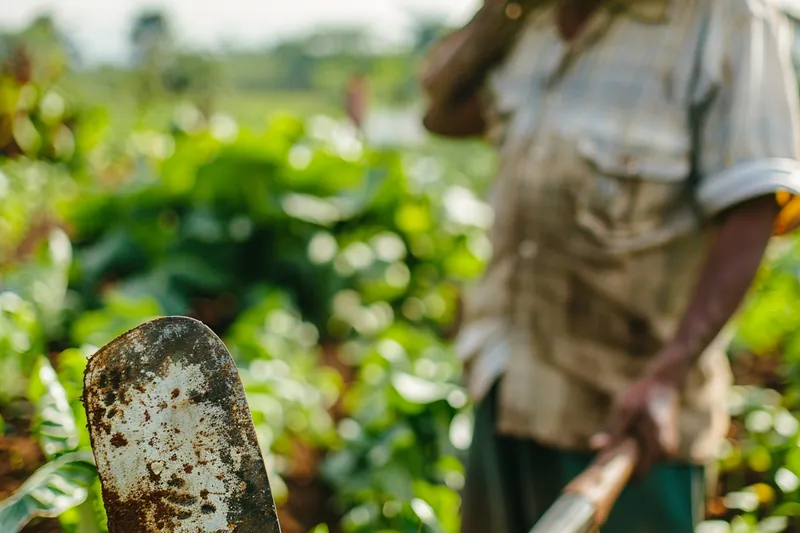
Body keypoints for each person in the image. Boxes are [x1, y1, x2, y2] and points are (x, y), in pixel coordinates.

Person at [420, 0, 800, 531]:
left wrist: (666, 377)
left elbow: (754, 209)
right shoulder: (529, 20)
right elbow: (442, 110)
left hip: (628, 420)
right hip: (506, 383)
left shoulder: (728, 20)